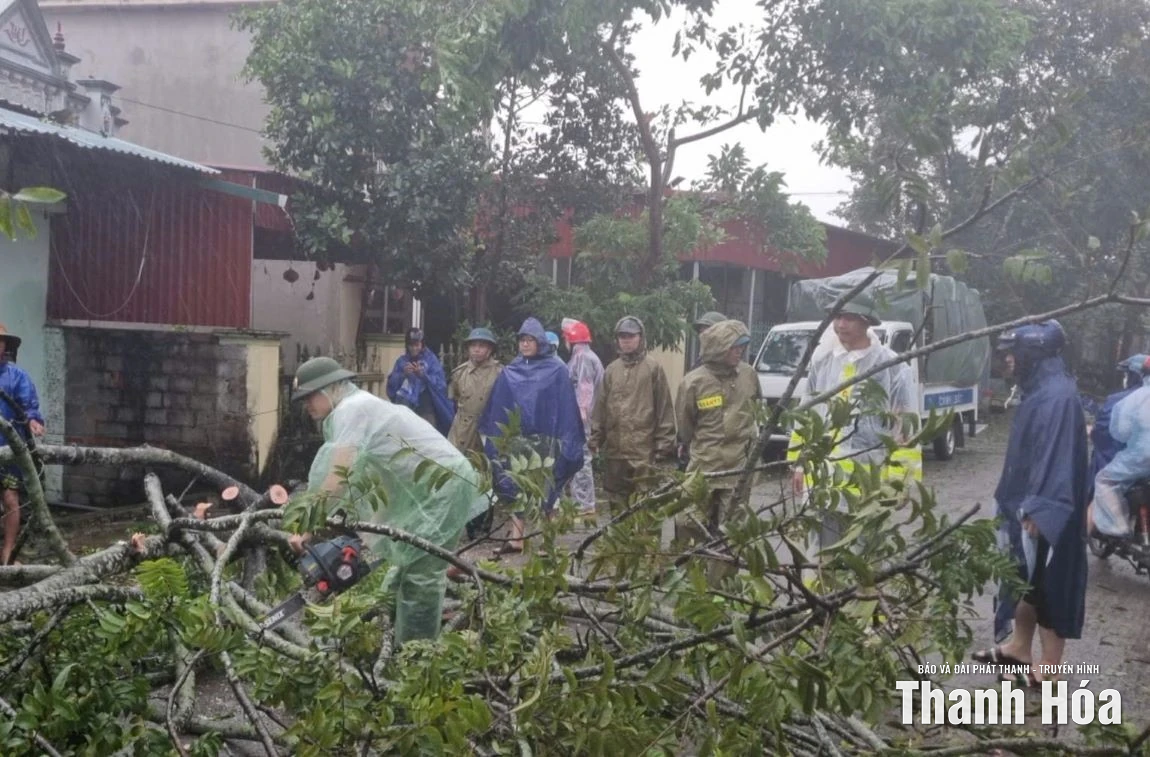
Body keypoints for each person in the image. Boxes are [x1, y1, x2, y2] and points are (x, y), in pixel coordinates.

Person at [288, 356, 488, 646]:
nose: (307, 405)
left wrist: (306, 526)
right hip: (433, 489)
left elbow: (338, 475)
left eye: (310, 396)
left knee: (420, 579)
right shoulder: (352, 409)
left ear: (330, 388)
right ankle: (392, 645)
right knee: (406, 569)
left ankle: (415, 662)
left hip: (444, 488)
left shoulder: (352, 410)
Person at [973, 321, 1088, 688]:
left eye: (1012, 354)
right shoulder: (1040, 389)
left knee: (1049, 583)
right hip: (1027, 501)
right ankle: (1020, 648)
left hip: (1044, 508)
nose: (1007, 361)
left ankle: (1050, 669)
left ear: (1031, 355)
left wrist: (1042, 507)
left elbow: (1055, 455)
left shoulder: (1055, 396)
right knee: (1023, 578)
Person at [787, 303, 922, 550]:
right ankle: (818, 589)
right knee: (820, 553)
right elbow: (807, 412)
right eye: (838, 317)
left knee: (863, 554)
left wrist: (900, 481)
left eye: (850, 318)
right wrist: (799, 462)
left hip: (868, 481)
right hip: (824, 479)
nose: (841, 324)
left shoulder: (891, 367)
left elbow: (905, 428)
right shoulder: (824, 360)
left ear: (867, 322)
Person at [479, 318, 584, 554]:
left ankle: (548, 542)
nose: (525, 344)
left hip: (547, 442)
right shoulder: (511, 371)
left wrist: (565, 440)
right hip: (518, 441)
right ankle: (517, 538)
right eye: (522, 340)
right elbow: (499, 407)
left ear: (540, 342)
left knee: (548, 490)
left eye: (530, 340)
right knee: (516, 486)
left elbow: (565, 407)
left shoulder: (556, 370)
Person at [674, 319, 761, 585]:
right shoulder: (693, 382)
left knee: (732, 531)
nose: (740, 352)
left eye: (743, 347)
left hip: (738, 468)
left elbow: (757, 408)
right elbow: (685, 425)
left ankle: (723, 589)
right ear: (718, 349)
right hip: (704, 466)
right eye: (735, 347)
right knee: (689, 522)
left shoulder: (748, 375)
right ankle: (691, 583)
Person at [589, 316, 677, 513]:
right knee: (617, 506)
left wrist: (664, 447)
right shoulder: (611, 370)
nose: (626, 340)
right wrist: (595, 439)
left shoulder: (653, 368)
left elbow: (664, 409)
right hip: (615, 451)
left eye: (631, 336)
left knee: (646, 505)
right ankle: (620, 545)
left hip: (644, 452)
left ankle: (646, 545)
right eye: (622, 336)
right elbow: (601, 408)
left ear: (641, 337)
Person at [446, 328, 503, 540]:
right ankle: (463, 523)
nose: (477, 350)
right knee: (461, 475)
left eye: (482, 345)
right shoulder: (459, 373)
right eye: (473, 345)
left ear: (490, 350)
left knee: (485, 478)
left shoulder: (500, 373)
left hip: (487, 430)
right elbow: (455, 402)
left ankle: (482, 524)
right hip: (462, 430)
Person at [1090, 354, 1150, 538]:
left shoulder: (1137, 398)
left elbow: (1119, 432)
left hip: (1140, 458)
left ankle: (1117, 525)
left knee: (1105, 480)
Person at [0, 325, 44, 566]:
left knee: (10, 499)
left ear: (6, 347)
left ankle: (7, 557)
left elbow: (29, 407)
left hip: (8, 450)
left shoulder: (17, 377)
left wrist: (34, 421)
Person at [561, 318, 603, 519]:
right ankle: (582, 502)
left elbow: (585, 394)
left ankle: (584, 504)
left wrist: (581, 421)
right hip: (586, 417)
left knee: (582, 459)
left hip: (583, 418)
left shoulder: (582, 358)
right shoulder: (586, 356)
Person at [386, 328, 454, 435]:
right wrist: (404, 375)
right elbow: (391, 386)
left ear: (422, 344)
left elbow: (440, 384)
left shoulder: (431, 360)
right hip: (406, 408)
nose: (414, 348)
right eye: (411, 345)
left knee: (427, 437)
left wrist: (423, 375)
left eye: (417, 345)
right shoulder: (402, 361)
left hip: (427, 408)